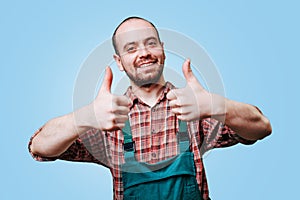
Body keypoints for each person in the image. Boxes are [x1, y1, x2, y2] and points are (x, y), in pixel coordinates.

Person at [29, 16, 272, 200]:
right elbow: (40, 148)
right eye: (131, 48)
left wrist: (215, 105)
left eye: (150, 43)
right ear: (119, 62)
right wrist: (85, 117)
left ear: (162, 49)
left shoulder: (195, 108)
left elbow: (261, 127)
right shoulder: (108, 119)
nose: (144, 53)